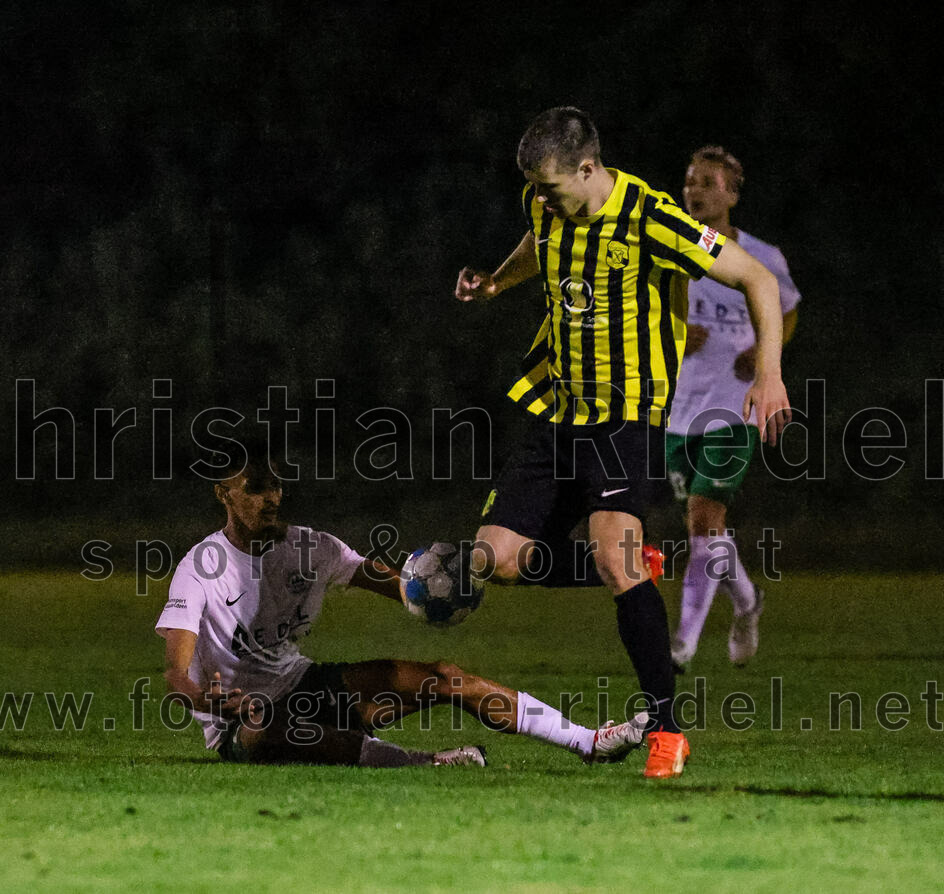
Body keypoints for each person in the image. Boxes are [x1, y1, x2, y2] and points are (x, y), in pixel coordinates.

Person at [455, 107, 791, 778]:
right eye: (537, 192)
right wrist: (497, 280)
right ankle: (640, 565)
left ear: (588, 169)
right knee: (495, 560)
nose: (544, 201)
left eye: (553, 189)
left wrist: (772, 375)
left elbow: (757, 279)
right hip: (557, 411)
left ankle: (666, 732)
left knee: (615, 557)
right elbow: (536, 240)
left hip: (625, 416)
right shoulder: (544, 201)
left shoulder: (652, 217)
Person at [155, 441, 647, 768]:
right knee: (267, 729)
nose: (271, 497)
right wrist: (206, 701)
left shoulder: (314, 548)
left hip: (305, 685)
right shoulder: (201, 566)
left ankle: (587, 741)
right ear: (223, 493)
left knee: (444, 676)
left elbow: (399, 584)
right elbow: (176, 674)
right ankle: (423, 762)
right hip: (240, 722)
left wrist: (445, 583)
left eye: (277, 485)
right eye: (255, 488)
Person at [666, 146, 801, 672]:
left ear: (733, 194)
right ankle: (747, 602)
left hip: (733, 409)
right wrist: (677, 332)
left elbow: (787, 310)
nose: (695, 191)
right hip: (677, 410)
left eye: (708, 182)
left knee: (703, 520)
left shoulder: (761, 258)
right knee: (707, 530)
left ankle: (683, 643)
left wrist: (765, 357)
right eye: (690, 181)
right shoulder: (672, 247)